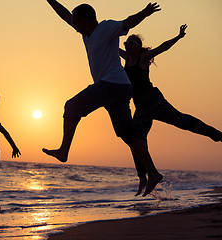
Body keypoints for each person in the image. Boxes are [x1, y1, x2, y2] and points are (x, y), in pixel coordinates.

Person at [43, 0, 162, 196]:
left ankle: (64, 150)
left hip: (112, 84)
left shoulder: (105, 27)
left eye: (77, 21)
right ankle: (153, 173)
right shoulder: (85, 33)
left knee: (71, 107)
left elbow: (127, 23)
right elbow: (64, 14)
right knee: (129, 136)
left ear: (87, 19)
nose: (74, 25)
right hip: (120, 89)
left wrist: (145, 12)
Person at [119, 25, 222, 196]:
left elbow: (163, 47)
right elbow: (106, 44)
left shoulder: (143, 58)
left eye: (132, 42)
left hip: (153, 101)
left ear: (138, 47)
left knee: (181, 121)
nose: (128, 44)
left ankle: (216, 134)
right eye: (126, 42)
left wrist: (179, 36)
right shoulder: (125, 57)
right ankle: (144, 177)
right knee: (135, 141)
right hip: (141, 107)